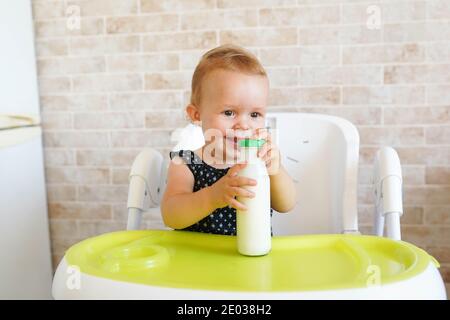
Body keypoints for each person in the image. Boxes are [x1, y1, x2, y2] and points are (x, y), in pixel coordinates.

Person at [161, 44, 297, 236]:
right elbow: (171, 215)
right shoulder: (186, 162)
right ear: (196, 114)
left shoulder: (260, 161)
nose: (244, 125)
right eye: (229, 112)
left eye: (255, 114)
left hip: (252, 260)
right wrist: (212, 197)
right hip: (198, 259)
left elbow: (286, 204)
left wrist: (276, 169)